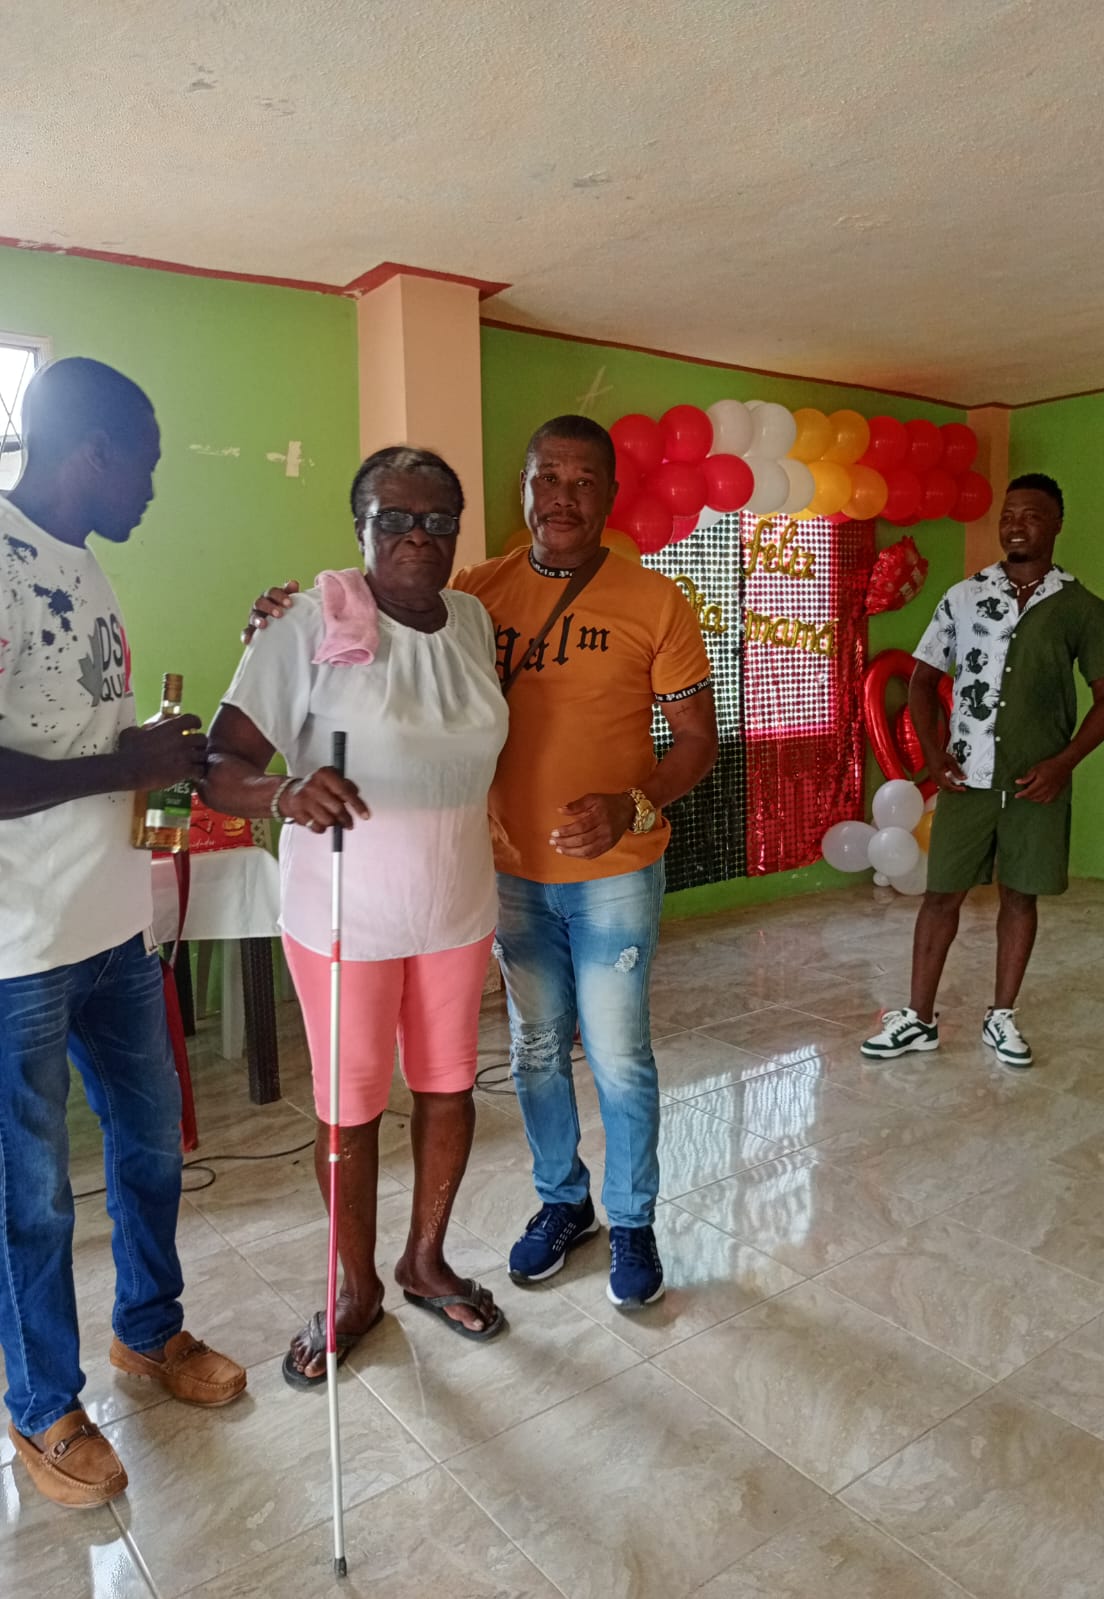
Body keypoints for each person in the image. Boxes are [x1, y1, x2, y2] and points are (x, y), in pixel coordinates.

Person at [245, 416, 718, 1309]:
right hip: (503, 872)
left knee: (618, 1054)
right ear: (523, 490)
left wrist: (634, 802)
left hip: (614, 873)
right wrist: (284, 617)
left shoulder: (656, 600)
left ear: (611, 495)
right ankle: (562, 1202)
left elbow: (699, 737)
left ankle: (633, 1218)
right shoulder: (475, 594)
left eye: (584, 480)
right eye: (547, 478)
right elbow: (385, 614)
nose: (563, 497)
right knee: (534, 1051)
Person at [206, 446, 509, 1383]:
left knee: (450, 1085)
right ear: (361, 527)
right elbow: (218, 765)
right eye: (395, 519)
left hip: (457, 904)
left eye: (439, 520)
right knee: (350, 1107)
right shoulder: (305, 622)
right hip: (345, 915)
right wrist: (285, 792)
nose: (419, 537)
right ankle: (353, 1287)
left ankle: (425, 1261)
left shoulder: (473, 620)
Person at [0, 357, 246, 1511]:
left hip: (112, 927)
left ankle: (148, 1332)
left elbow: (72, 735)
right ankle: (42, 1404)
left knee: (150, 1148)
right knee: (31, 1196)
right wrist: (119, 762)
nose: (150, 488)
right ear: (91, 451)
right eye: (143, 464)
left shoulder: (86, 565)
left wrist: (147, 747)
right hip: (15, 949)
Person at [862, 472, 1104, 1069]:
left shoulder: (1080, 608)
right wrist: (934, 756)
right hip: (967, 779)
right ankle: (918, 1019)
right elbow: (923, 682)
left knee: (1020, 897)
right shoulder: (963, 597)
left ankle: (1001, 1015)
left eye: (1030, 515)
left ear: (1056, 524)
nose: (1015, 525)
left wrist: (1063, 763)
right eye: (1008, 515)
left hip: (1036, 785)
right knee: (940, 897)